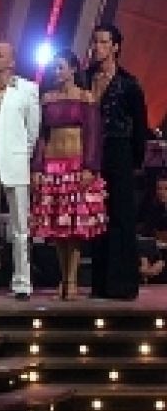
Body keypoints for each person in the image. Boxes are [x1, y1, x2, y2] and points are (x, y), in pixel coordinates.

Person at [30, 49, 106, 300]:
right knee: (57, 229)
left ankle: (71, 281)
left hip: (76, 165)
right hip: (52, 165)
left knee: (74, 229)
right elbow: (42, 136)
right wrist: (37, 168)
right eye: (54, 67)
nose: (56, 71)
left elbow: (93, 135)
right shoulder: (47, 98)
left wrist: (90, 167)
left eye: (60, 67)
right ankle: (62, 279)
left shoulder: (85, 97)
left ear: (73, 69)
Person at [87, 23, 149, 300]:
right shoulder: (85, 78)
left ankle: (122, 285)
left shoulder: (129, 83)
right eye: (95, 42)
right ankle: (99, 284)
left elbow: (140, 127)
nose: (97, 47)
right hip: (93, 153)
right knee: (96, 216)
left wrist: (135, 162)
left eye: (103, 42)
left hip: (120, 151)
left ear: (115, 47)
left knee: (121, 217)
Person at [0, 41, 40, 301]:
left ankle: (22, 282)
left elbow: (32, 131)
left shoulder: (27, 89)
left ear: (12, 61)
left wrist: (21, 156)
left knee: (20, 227)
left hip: (15, 164)